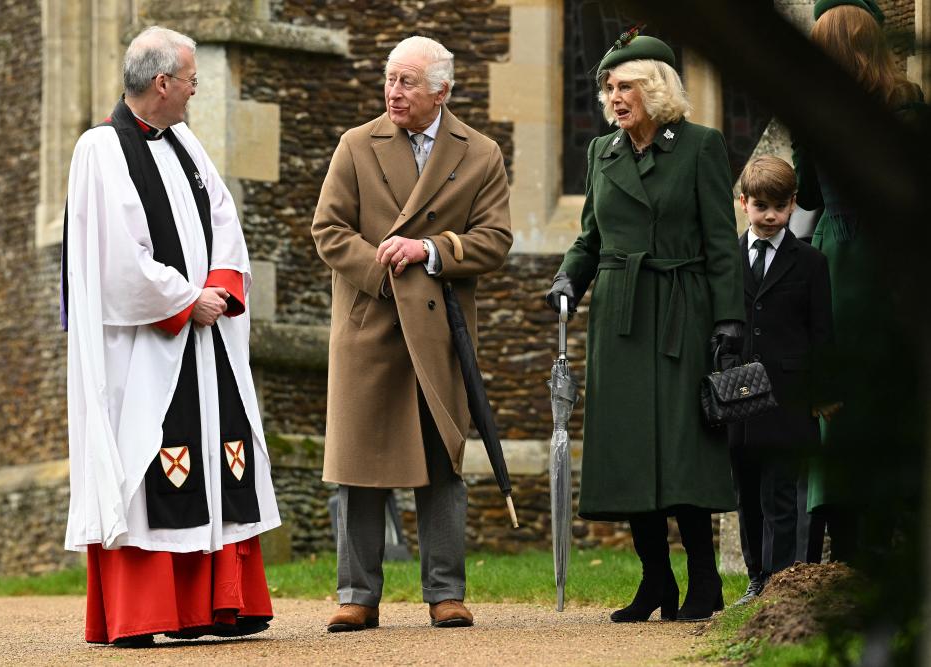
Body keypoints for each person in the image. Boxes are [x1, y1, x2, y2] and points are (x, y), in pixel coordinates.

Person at [62, 26, 280, 646]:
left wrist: (217, 288)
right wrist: (188, 300)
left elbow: (223, 219)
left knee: (218, 458)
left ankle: (215, 606)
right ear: (162, 83)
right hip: (144, 349)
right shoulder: (101, 151)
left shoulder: (186, 142)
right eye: (189, 80)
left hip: (204, 344)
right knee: (148, 465)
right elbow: (115, 263)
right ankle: (147, 613)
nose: (194, 90)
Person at [311, 35, 512, 632]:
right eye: (390, 80)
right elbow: (328, 229)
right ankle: (357, 593)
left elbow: (494, 240)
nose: (393, 93)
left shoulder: (479, 153)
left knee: (443, 460)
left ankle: (446, 592)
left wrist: (429, 249)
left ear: (440, 92)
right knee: (359, 464)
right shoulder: (356, 145)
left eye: (406, 83)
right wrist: (382, 266)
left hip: (438, 330)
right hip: (369, 322)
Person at [545, 32, 743, 622]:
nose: (613, 97)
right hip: (620, 317)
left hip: (683, 310)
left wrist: (730, 318)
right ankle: (655, 579)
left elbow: (721, 244)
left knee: (684, 450)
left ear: (655, 88)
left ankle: (705, 582)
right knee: (631, 449)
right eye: (608, 88)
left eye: (625, 85)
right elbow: (590, 236)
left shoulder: (701, 148)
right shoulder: (602, 153)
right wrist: (566, 281)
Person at [793, 0, 927, 564]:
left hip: (840, 264)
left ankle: (844, 549)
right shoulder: (913, 109)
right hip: (899, 264)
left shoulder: (816, 116)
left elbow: (811, 199)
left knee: (837, 400)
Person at [727, 156, 833, 606]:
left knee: (782, 494)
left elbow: (822, 331)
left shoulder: (810, 262)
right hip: (738, 398)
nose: (769, 216)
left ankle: (782, 581)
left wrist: (825, 392)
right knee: (747, 495)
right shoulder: (727, 259)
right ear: (743, 202)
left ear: (793, 205)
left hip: (790, 397)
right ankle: (756, 579)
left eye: (779, 207)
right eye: (760, 206)